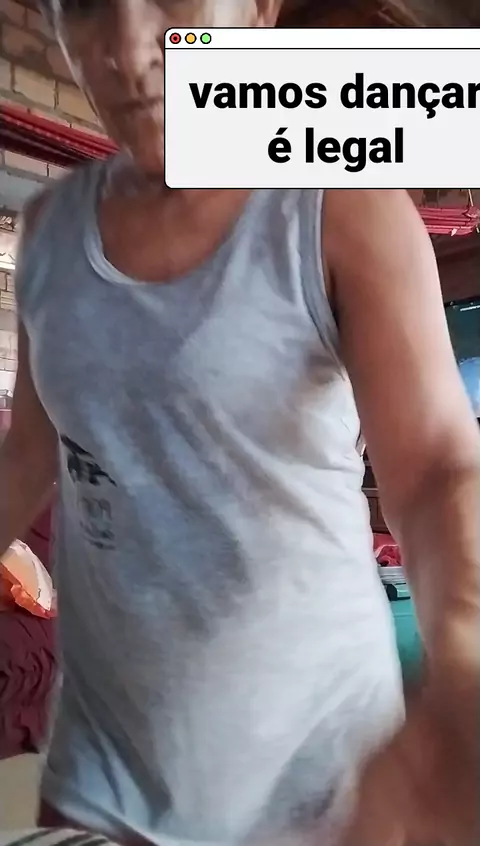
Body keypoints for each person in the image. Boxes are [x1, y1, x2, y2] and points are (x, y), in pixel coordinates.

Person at [1, 1, 479, 845]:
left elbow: (438, 466)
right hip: (103, 780)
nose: (128, 49)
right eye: (88, 5)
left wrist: (463, 663)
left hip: (322, 789)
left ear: (258, 10)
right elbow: (33, 455)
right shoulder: (48, 234)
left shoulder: (340, 208)